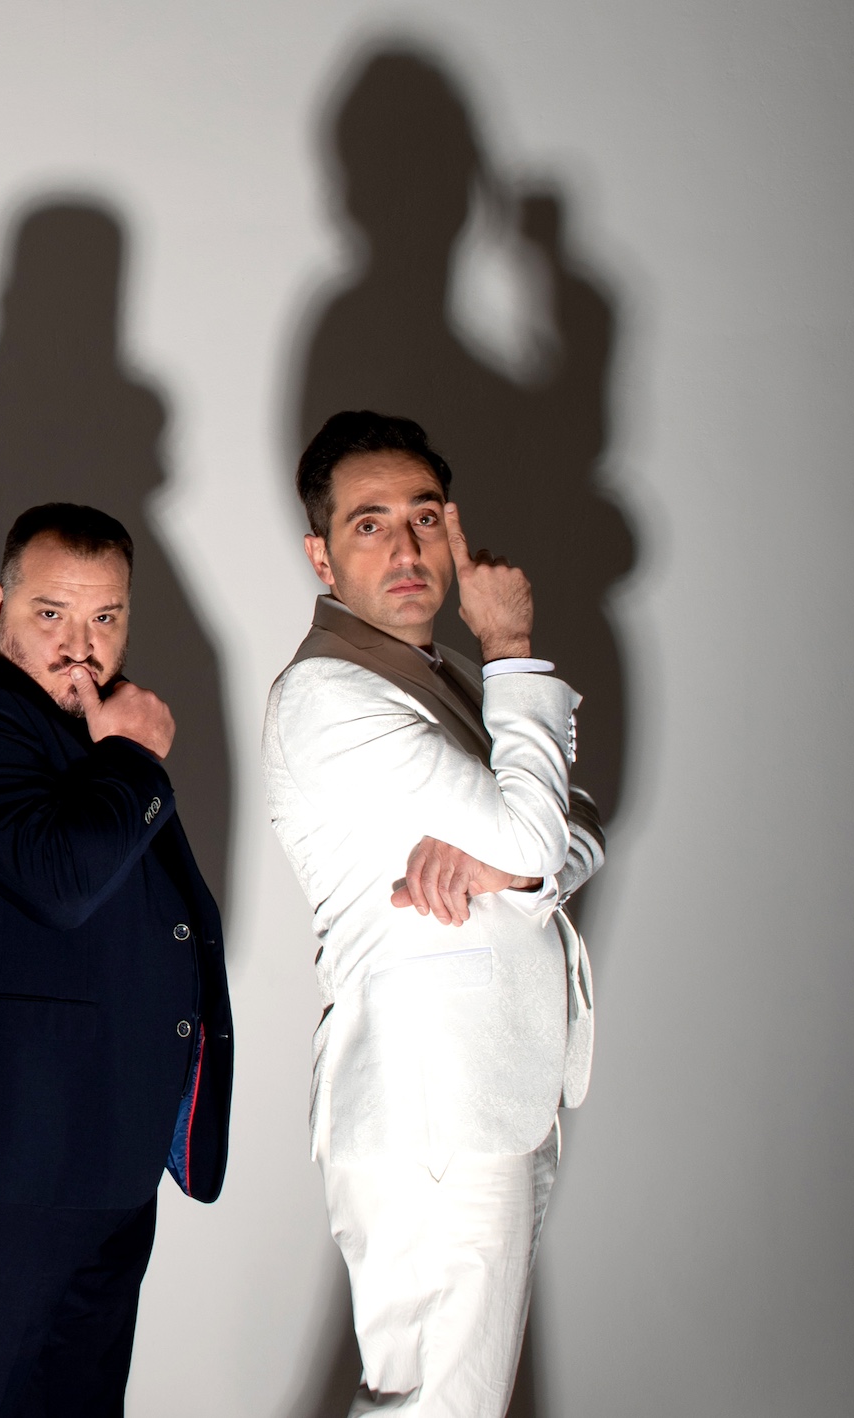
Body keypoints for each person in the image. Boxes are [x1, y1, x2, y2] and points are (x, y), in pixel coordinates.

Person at [0, 502, 234, 1417]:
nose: (80, 647)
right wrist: (133, 760)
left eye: (105, 618)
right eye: (50, 614)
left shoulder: (85, 732)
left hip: (99, 1161)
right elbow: (60, 879)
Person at [262, 411, 604, 1416]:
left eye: (423, 517)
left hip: (482, 1095)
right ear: (321, 555)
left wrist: (511, 865)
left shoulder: (437, 673)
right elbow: (542, 833)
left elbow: (577, 822)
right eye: (368, 525)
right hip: (431, 1111)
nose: (406, 550)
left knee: (441, 1400)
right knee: (441, 1404)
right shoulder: (331, 695)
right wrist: (511, 645)